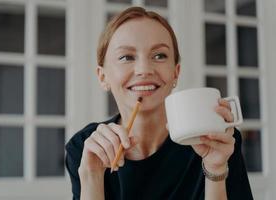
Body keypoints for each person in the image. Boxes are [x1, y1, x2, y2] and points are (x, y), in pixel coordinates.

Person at [65, 6, 253, 200]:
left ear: (176, 73)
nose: (144, 69)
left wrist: (216, 170)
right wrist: (92, 176)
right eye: (126, 57)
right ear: (103, 76)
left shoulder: (216, 140)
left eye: (159, 56)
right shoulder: (84, 149)